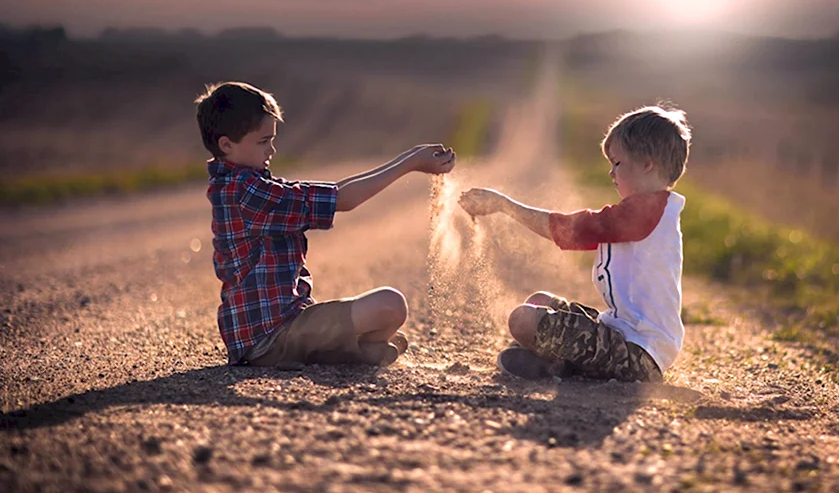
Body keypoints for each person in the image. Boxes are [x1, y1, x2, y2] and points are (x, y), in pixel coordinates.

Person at [195, 81, 455, 369]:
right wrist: (409, 164)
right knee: (390, 305)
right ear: (226, 144)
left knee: (388, 315)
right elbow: (342, 199)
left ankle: (352, 351)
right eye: (263, 141)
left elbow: (336, 190)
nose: (272, 149)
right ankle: (345, 350)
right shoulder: (247, 194)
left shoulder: (248, 184)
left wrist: (412, 157)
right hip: (269, 336)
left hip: (281, 327)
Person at [458, 104, 691, 382]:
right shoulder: (649, 211)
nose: (611, 173)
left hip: (639, 353)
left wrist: (504, 205)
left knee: (523, 320)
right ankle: (559, 361)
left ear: (647, 164)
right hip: (621, 333)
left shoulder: (646, 213)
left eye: (617, 163)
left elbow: (569, 230)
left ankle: (556, 368)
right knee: (539, 301)